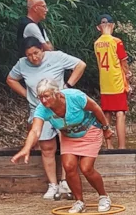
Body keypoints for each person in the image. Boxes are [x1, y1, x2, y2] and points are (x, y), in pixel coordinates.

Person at [11, 82, 113, 214]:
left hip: (89, 130)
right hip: (68, 136)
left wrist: (106, 128)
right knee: (69, 167)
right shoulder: (42, 109)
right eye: (40, 97)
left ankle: (104, 196)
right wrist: (27, 147)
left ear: (57, 94)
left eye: (47, 96)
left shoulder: (75, 96)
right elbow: (35, 131)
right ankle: (79, 201)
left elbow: (95, 108)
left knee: (86, 168)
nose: (43, 100)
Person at [7, 38, 87, 199]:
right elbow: (10, 79)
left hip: (60, 107)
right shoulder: (22, 64)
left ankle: (66, 181)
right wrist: (27, 95)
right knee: (46, 147)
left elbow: (80, 65)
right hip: (39, 109)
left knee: (66, 143)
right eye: (29, 55)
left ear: (42, 50)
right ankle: (52, 185)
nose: (33, 58)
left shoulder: (56, 57)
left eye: (36, 53)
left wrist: (68, 86)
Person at [93, 14, 131, 149]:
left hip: (104, 83)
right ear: (112, 25)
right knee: (120, 113)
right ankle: (122, 146)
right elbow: (123, 62)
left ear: (99, 28)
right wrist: (127, 75)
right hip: (117, 82)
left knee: (107, 113)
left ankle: (109, 145)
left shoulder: (96, 43)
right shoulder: (116, 41)